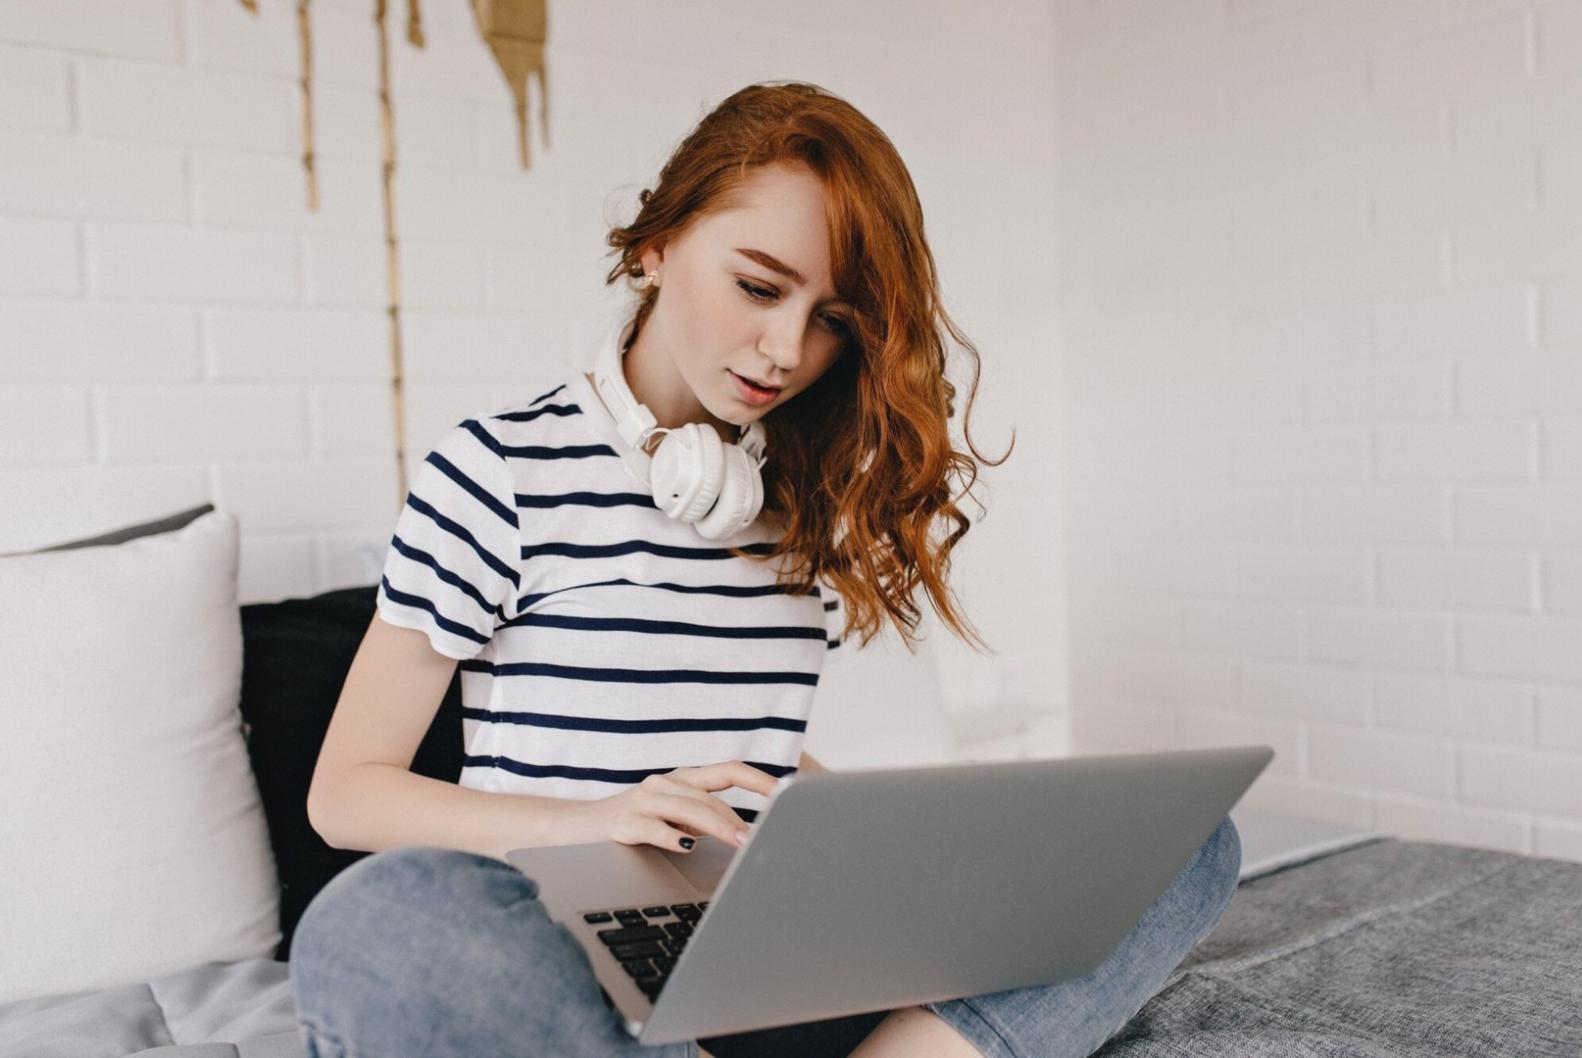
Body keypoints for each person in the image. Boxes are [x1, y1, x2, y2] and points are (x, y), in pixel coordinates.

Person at [288, 80, 1242, 1058]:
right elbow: (347, 792)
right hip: (571, 950)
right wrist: (592, 821)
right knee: (387, 916)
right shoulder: (500, 469)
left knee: (1184, 845)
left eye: (833, 318)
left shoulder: (794, 501)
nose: (786, 349)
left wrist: (876, 829)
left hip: (771, 945)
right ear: (657, 243)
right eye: (758, 286)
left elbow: (756, 752)